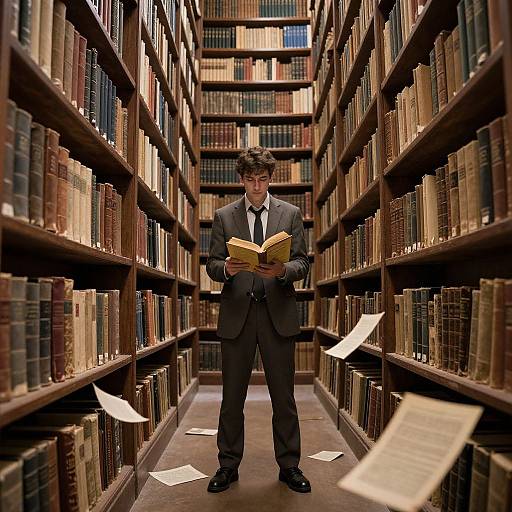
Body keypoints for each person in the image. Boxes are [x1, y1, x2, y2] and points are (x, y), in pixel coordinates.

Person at [206, 146, 311, 494]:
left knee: (284, 397)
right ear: (241, 179)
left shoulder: (291, 213)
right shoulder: (223, 216)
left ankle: (290, 465)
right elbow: (212, 265)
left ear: (270, 178)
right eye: (250, 180)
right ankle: (228, 465)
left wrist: (283, 270)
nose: (256, 186)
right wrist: (227, 269)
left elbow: (303, 263)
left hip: (276, 313)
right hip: (238, 313)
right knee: (231, 397)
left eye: (262, 180)